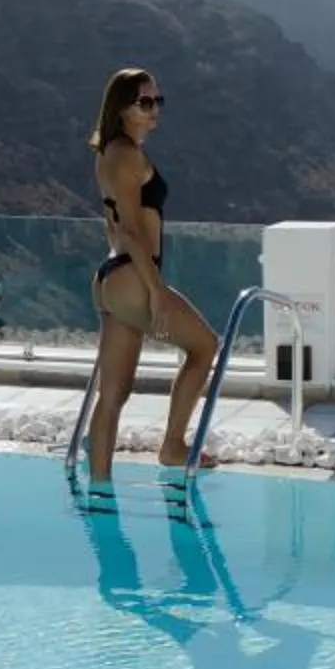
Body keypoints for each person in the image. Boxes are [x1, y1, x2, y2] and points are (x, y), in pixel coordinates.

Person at [86, 64, 218, 480]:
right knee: (204, 347)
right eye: (145, 102)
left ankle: (100, 490)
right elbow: (127, 227)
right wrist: (156, 289)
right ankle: (173, 445)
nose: (154, 109)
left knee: (113, 395)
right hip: (131, 276)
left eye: (158, 100)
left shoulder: (112, 153)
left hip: (114, 278)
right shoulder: (125, 155)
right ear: (123, 108)